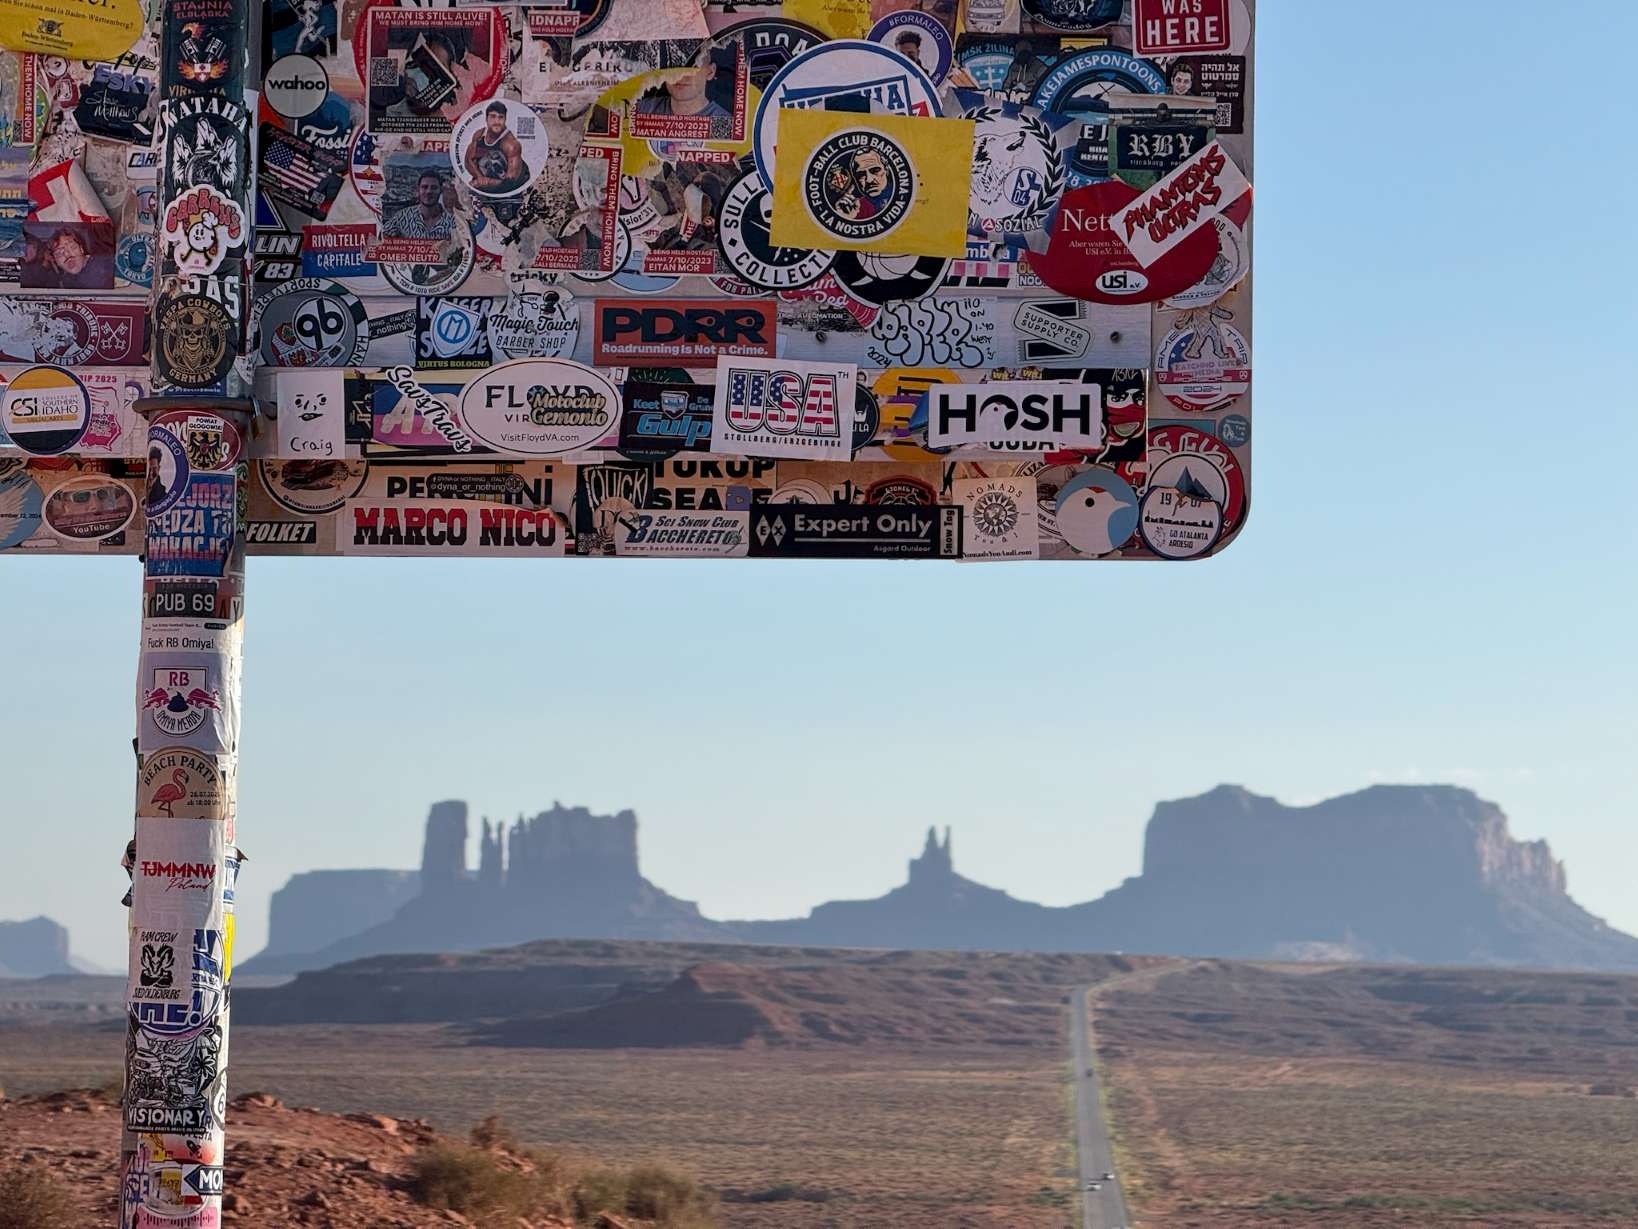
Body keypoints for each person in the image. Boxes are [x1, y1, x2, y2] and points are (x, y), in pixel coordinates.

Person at [463, 100, 529, 195]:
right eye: (493, 117)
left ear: (505, 119)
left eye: (500, 117)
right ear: (486, 118)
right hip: (489, 181)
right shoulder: (479, 134)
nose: (497, 122)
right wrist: (479, 176)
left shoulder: (511, 145)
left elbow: (510, 183)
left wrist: (485, 181)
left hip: (516, 187)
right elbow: (468, 160)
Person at [635, 62, 728, 121]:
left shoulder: (724, 122)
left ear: (710, 72)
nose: (680, 76)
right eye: (674, 66)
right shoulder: (641, 111)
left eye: (692, 67)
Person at [381, 169, 456, 239]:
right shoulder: (403, 216)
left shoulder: (453, 221)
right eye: (424, 187)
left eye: (434, 188)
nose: (428, 191)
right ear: (418, 190)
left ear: (441, 190)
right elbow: (381, 236)